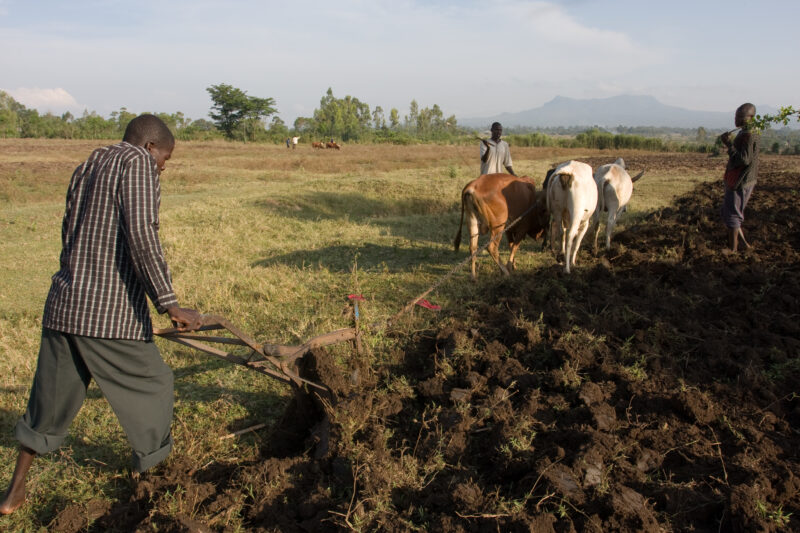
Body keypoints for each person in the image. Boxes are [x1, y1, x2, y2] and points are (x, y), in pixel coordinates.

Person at [0, 114, 202, 515]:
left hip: (64, 306)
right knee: (155, 384)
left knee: (47, 404)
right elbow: (142, 234)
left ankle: (13, 492)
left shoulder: (90, 163)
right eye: (166, 158)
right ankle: (152, 480)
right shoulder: (138, 165)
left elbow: (69, 229)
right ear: (149, 147)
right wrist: (169, 302)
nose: (164, 166)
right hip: (107, 314)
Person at [720, 103, 759, 253]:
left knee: (732, 214)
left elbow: (744, 159)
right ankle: (743, 245)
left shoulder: (749, 134)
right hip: (738, 179)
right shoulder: (745, 132)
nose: (736, 119)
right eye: (736, 116)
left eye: (740, 117)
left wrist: (729, 144)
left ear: (750, 117)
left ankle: (733, 250)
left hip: (741, 181)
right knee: (728, 212)